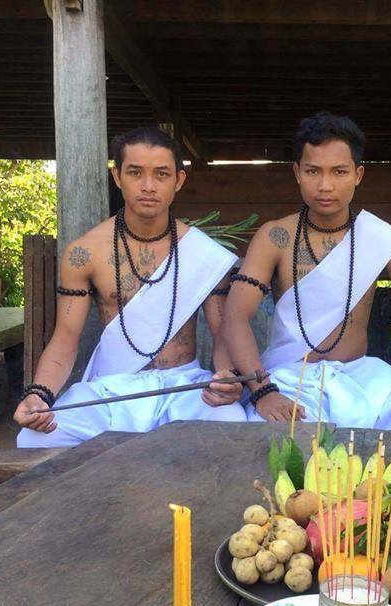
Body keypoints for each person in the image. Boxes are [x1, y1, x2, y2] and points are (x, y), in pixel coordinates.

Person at [222, 112, 391, 432]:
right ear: (297, 173)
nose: (326, 185)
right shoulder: (275, 237)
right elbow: (235, 314)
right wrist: (262, 391)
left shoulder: (383, 240)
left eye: (339, 171)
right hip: (287, 381)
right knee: (280, 443)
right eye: (313, 171)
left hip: (363, 381)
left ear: (358, 175)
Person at [14, 126, 246, 448]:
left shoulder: (203, 252)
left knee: (233, 424)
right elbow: (66, 337)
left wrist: (225, 376)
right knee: (32, 440)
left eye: (161, 174)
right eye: (135, 173)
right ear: (117, 177)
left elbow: (223, 332)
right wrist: (38, 395)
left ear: (178, 181)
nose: (148, 186)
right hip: (110, 390)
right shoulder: (85, 253)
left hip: (184, 387)